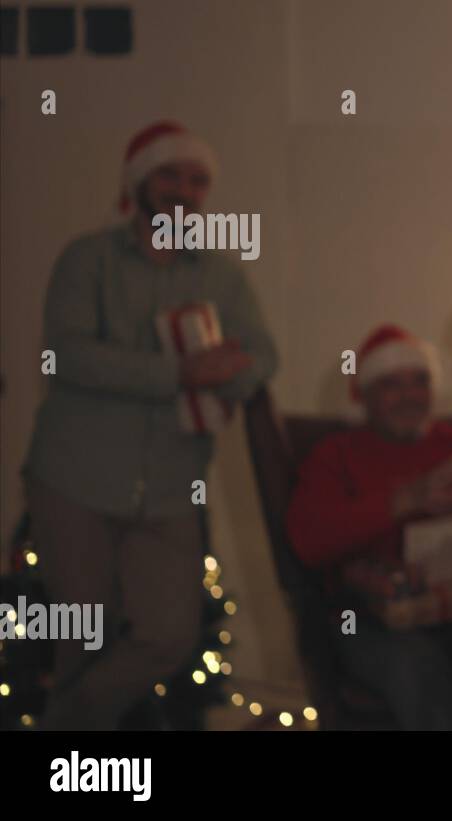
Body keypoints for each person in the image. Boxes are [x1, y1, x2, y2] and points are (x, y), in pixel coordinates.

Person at [22, 120, 279, 730]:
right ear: (139, 181)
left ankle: (62, 728)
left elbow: (263, 355)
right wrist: (181, 373)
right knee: (84, 636)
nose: (184, 190)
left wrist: (228, 374)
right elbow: (70, 355)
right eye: (170, 174)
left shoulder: (220, 273)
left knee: (168, 634)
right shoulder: (88, 259)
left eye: (197, 179)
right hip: (74, 481)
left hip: (171, 486)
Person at [287, 324, 452, 730]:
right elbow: (308, 540)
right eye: (392, 386)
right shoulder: (336, 454)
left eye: (420, 382)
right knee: (413, 662)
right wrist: (401, 502)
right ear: (364, 395)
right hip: (365, 611)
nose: (410, 397)